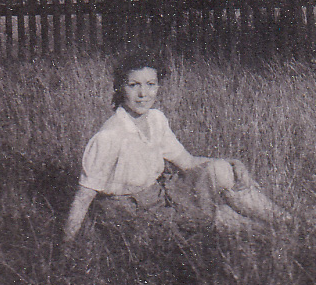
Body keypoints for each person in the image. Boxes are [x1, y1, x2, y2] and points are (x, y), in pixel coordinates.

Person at [64, 48, 290, 242]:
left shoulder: (155, 120)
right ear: (120, 88)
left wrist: (233, 163)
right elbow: (83, 197)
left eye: (150, 84)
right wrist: (67, 248)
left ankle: (287, 221)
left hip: (161, 194)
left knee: (221, 171)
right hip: (130, 211)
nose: (143, 94)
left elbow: (188, 162)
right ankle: (281, 234)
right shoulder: (110, 135)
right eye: (134, 85)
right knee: (223, 220)